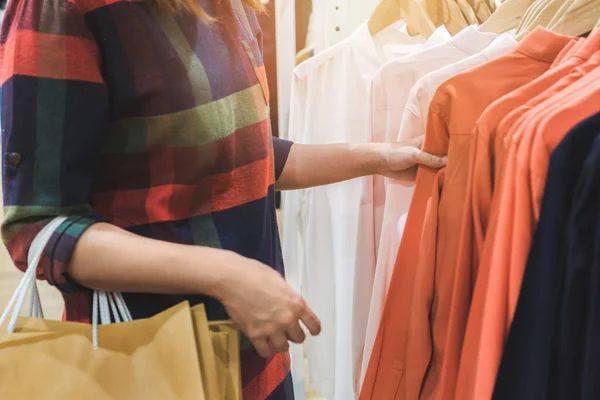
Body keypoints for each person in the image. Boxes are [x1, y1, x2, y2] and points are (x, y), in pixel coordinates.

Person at [0, 0, 446, 398]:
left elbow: (240, 157)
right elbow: (38, 227)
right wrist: (225, 274)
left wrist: (375, 158)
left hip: (257, 354)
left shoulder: (232, 8)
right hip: (145, 361)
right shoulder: (62, 9)